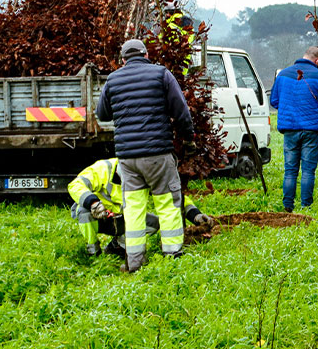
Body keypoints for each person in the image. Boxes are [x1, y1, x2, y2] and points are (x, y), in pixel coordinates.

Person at [96, 38, 194, 272]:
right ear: (146, 55)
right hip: (158, 154)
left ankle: (134, 262)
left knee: (134, 210)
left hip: (128, 159)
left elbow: (102, 114)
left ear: (123, 60)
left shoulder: (113, 79)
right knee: (167, 204)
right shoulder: (161, 74)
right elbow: (180, 110)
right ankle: (172, 257)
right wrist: (188, 138)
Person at [68, 158, 213, 258]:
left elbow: (172, 198)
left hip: (123, 218)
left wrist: (195, 215)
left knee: (154, 223)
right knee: (83, 212)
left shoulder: (144, 176)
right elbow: (75, 185)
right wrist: (93, 203)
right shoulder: (103, 168)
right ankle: (93, 251)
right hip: (99, 216)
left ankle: (118, 246)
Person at [269, 45, 318, 212]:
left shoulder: (283, 74)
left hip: (289, 128)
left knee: (290, 170)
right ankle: (306, 207)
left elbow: (274, 101)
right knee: (308, 170)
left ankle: (287, 206)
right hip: (311, 130)